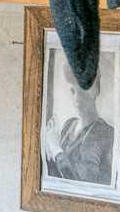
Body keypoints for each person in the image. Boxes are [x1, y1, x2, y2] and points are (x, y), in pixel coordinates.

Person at [42, 50, 113, 185]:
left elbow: (80, 184)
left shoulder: (105, 133)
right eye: (73, 90)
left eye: (83, 89)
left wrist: (55, 148)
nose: (77, 98)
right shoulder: (69, 124)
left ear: (96, 90)